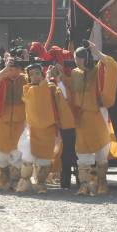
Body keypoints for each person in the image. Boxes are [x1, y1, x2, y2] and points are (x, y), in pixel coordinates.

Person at [68, 41, 117, 196]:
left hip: (97, 115)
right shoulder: (75, 73)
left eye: (79, 58)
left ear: (87, 59)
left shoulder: (97, 71)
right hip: (81, 118)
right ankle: (85, 185)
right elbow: (72, 93)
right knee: (82, 152)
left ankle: (102, 183)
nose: (77, 61)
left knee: (100, 151)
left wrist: (98, 53)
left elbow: (112, 66)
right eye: (76, 58)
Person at [22, 61, 74, 194]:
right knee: (27, 158)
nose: (35, 77)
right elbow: (37, 93)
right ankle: (25, 182)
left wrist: (57, 80)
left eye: (37, 73)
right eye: (32, 74)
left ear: (42, 74)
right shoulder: (27, 89)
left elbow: (64, 99)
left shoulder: (51, 87)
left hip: (48, 130)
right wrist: (46, 80)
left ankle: (40, 183)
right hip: (32, 130)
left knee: (44, 160)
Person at [0, 56, 28, 190]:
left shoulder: (25, 79)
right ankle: (2, 177)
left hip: (19, 123)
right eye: (11, 68)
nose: (13, 71)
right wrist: (5, 70)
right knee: (0, 151)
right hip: (2, 122)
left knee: (18, 151)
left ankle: (16, 179)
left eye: (16, 68)